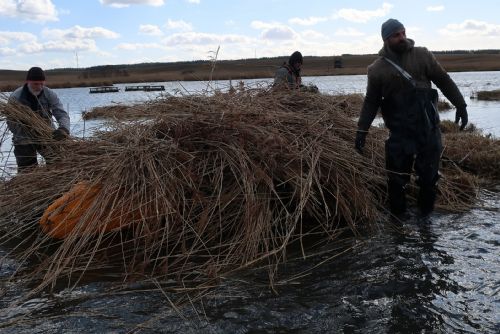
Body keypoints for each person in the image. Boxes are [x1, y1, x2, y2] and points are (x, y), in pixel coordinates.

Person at [354, 19, 468, 217]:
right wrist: (362, 130)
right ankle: (398, 225)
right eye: (396, 35)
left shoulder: (422, 55)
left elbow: (443, 80)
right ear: (386, 39)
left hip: (428, 130)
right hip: (399, 134)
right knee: (397, 181)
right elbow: (371, 102)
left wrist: (461, 104)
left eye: (403, 33)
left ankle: (426, 224)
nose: (402, 38)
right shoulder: (377, 69)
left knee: (428, 179)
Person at [7, 66, 70, 172]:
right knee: (27, 171)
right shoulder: (15, 97)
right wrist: (25, 127)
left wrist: (64, 129)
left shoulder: (49, 94)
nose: (40, 87)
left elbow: (61, 113)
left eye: (42, 83)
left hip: (47, 134)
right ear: (28, 82)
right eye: (36, 84)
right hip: (24, 138)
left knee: (57, 164)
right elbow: (11, 123)